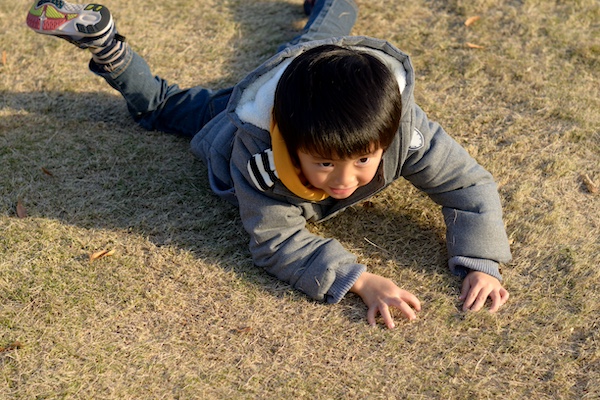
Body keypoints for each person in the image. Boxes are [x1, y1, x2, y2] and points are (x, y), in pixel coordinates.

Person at [26, 0, 512, 329]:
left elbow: (469, 185)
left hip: (317, 64)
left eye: (364, 159)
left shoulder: (405, 129)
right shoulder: (256, 153)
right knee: (161, 107)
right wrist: (360, 281)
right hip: (249, 104)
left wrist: (481, 261)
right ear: (288, 141)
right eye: (323, 164)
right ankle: (108, 46)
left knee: (334, 15)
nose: (345, 181)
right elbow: (276, 240)